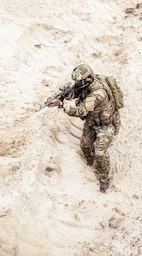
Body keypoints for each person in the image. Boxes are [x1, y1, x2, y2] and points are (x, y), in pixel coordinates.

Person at [49, 63, 121, 192]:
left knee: (100, 153)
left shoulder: (97, 94)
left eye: (80, 81)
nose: (77, 84)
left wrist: (61, 104)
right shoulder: (89, 82)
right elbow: (78, 91)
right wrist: (69, 94)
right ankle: (89, 159)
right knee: (85, 146)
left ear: (86, 79)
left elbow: (81, 111)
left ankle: (104, 178)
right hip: (92, 121)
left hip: (105, 125)